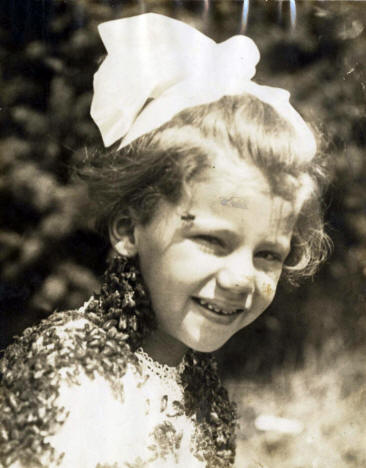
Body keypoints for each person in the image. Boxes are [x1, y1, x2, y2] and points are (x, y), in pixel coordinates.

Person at [0, 13, 329, 468]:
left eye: (268, 254)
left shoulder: (193, 380)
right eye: (213, 241)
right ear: (128, 230)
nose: (240, 278)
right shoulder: (71, 372)